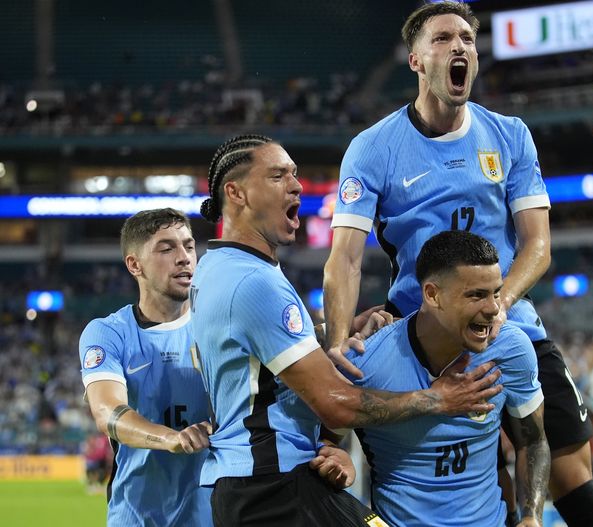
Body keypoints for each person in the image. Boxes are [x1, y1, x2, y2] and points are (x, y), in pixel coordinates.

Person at [323, 3, 593, 526]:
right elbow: (344, 256)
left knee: (568, 464)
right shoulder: (373, 148)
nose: (460, 47)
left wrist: (497, 305)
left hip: (509, 319)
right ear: (415, 60)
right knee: (446, 470)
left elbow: (537, 246)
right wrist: (341, 342)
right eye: (443, 39)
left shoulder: (510, 135)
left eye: (468, 39)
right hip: (421, 329)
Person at [191, 134, 503, 527]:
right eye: (277, 176)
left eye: (295, 174)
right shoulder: (255, 283)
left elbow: (256, 353)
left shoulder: (215, 267)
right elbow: (336, 403)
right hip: (274, 487)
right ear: (236, 193)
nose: (296, 185)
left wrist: (330, 330)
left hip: (253, 485)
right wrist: (435, 399)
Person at [334, 230, 549, 526]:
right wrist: (334, 454)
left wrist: (531, 516)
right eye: (476, 295)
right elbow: (324, 441)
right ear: (433, 295)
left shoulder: (511, 349)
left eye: (496, 292)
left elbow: (534, 442)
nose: (493, 309)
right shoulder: (367, 362)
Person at [78, 208, 213, 526]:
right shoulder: (109, 332)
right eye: (167, 248)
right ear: (134, 264)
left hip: (212, 515)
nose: (184, 257)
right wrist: (171, 439)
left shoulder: (219, 325)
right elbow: (107, 411)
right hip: (135, 516)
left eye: (189, 246)